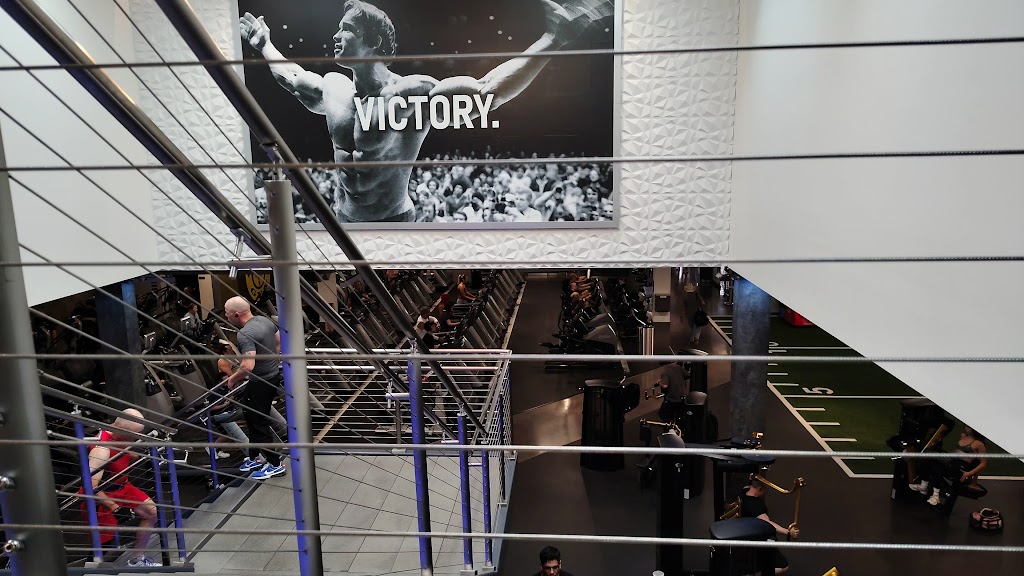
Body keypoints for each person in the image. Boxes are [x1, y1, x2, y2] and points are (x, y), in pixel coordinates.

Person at [239, 0, 597, 223]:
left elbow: (487, 91)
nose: (335, 36)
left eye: (345, 29)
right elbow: (292, 78)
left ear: (373, 41)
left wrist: (552, 40)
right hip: (343, 218)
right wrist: (265, 44)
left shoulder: (412, 93)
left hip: (394, 221)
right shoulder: (334, 87)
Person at [81, 409, 159, 568]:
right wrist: (115, 508)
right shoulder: (101, 450)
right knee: (105, 543)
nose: (135, 439)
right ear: (121, 430)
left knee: (151, 512)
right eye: (133, 436)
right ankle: (88, 570)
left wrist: (132, 454)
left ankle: (137, 559)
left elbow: (119, 448)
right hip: (104, 494)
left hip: (123, 486)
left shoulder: (118, 434)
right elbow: (90, 486)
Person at [224, 296, 287, 480]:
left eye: (227, 314)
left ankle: (275, 465)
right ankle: (255, 457)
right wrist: (274, 359)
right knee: (249, 415)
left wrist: (232, 379)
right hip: (271, 377)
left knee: (259, 422)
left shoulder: (245, 334)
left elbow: (248, 366)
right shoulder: (265, 320)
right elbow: (279, 342)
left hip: (261, 382)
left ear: (236, 314)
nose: (226, 317)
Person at [739, 478, 798, 575]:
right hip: (757, 542)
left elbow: (748, 486)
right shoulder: (755, 505)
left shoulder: (744, 492)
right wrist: (788, 532)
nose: (766, 492)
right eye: (765, 489)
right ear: (760, 489)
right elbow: (767, 523)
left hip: (747, 539)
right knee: (783, 566)